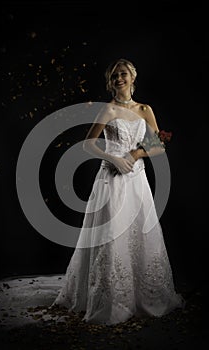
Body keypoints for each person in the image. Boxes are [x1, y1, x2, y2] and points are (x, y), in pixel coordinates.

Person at [51, 58, 185, 325]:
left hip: (137, 179)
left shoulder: (145, 109)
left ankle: (140, 296)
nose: (119, 79)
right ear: (110, 83)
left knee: (139, 234)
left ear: (133, 78)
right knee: (113, 235)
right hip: (111, 179)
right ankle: (111, 300)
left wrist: (136, 153)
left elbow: (157, 145)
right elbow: (89, 144)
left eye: (123, 74)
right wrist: (113, 159)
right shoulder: (108, 110)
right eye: (114, 76)